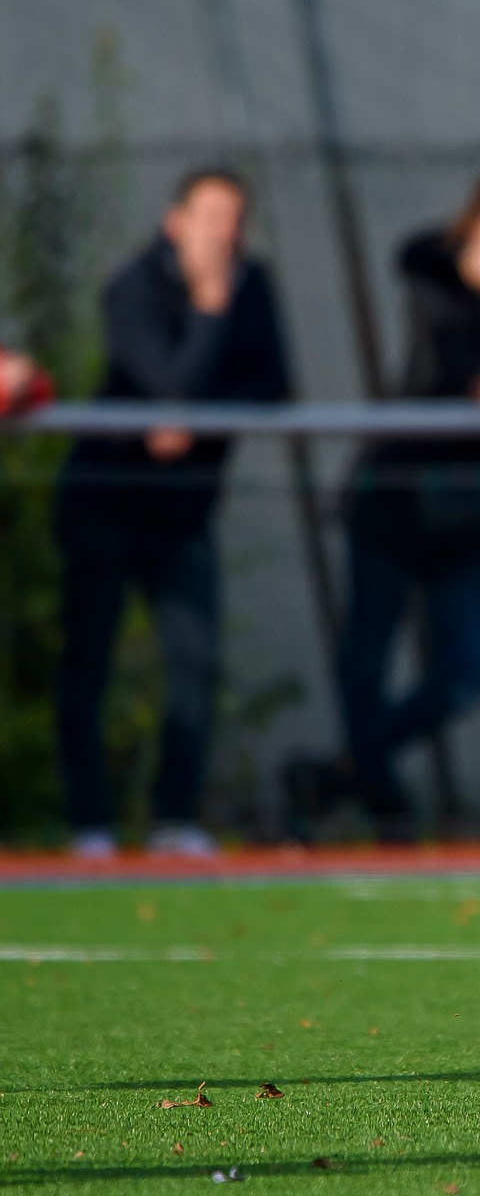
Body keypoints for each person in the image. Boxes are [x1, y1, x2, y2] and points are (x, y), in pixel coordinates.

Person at [55, 169, 290, 859]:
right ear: (175, 223)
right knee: (88, 665)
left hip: (183, 515)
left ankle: (173, 817)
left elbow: (272, 385)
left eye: (237, 218)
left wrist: (195, 409)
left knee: (194, 664)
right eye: (213, 216)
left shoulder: (255, 284)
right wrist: (211, 310)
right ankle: (88, 824)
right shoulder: (133, 286)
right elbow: (167, 378)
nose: (228, 233)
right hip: (104, 504)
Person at [325, 176, 480, 838]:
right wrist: (470, 269)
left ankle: (341, 773)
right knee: (364, 661)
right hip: (394, 505)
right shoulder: (440, 289)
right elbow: (420, 260)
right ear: (471, 236)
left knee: (465, 675)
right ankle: (382, 800)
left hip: (466, 522)